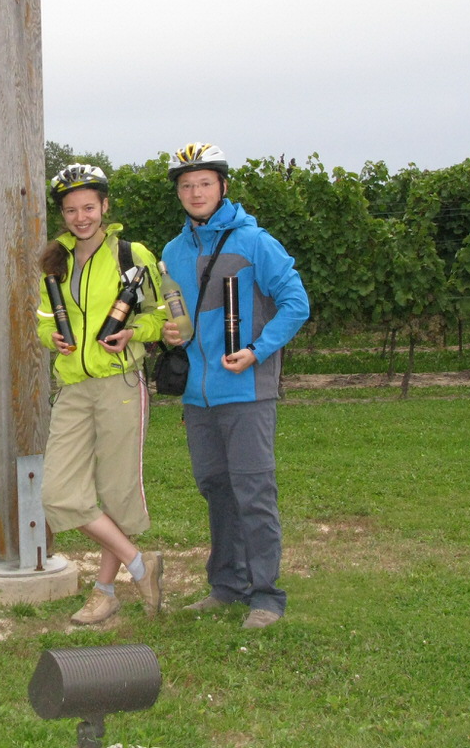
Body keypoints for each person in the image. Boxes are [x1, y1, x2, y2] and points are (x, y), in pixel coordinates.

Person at [160, 143, 310, 629]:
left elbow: (296, 304)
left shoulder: (255, 242)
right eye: (186, 185)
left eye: (204, 183)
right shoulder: (173, 252)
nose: (195, 192)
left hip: (246, 392)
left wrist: (258, 351)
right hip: (198, 397)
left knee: (254, 493)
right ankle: (227, 586)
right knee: (217, 491)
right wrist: (166, 331)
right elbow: (172, 316)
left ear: (222, 187)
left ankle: (266, 597)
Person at [36, 163, 166, 625]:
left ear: (104, 206)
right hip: (73, 386)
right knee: (58, 493)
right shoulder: (55, 260)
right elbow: (44, 318)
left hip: (120, 384)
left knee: (116, 493)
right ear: (63, 214)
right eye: (71, 210)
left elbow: (160, 315)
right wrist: (50, 337)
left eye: (89, 207)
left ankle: (105, 591)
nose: (81, 217)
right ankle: (140, 564)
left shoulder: (133, 254)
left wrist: (134, 332)